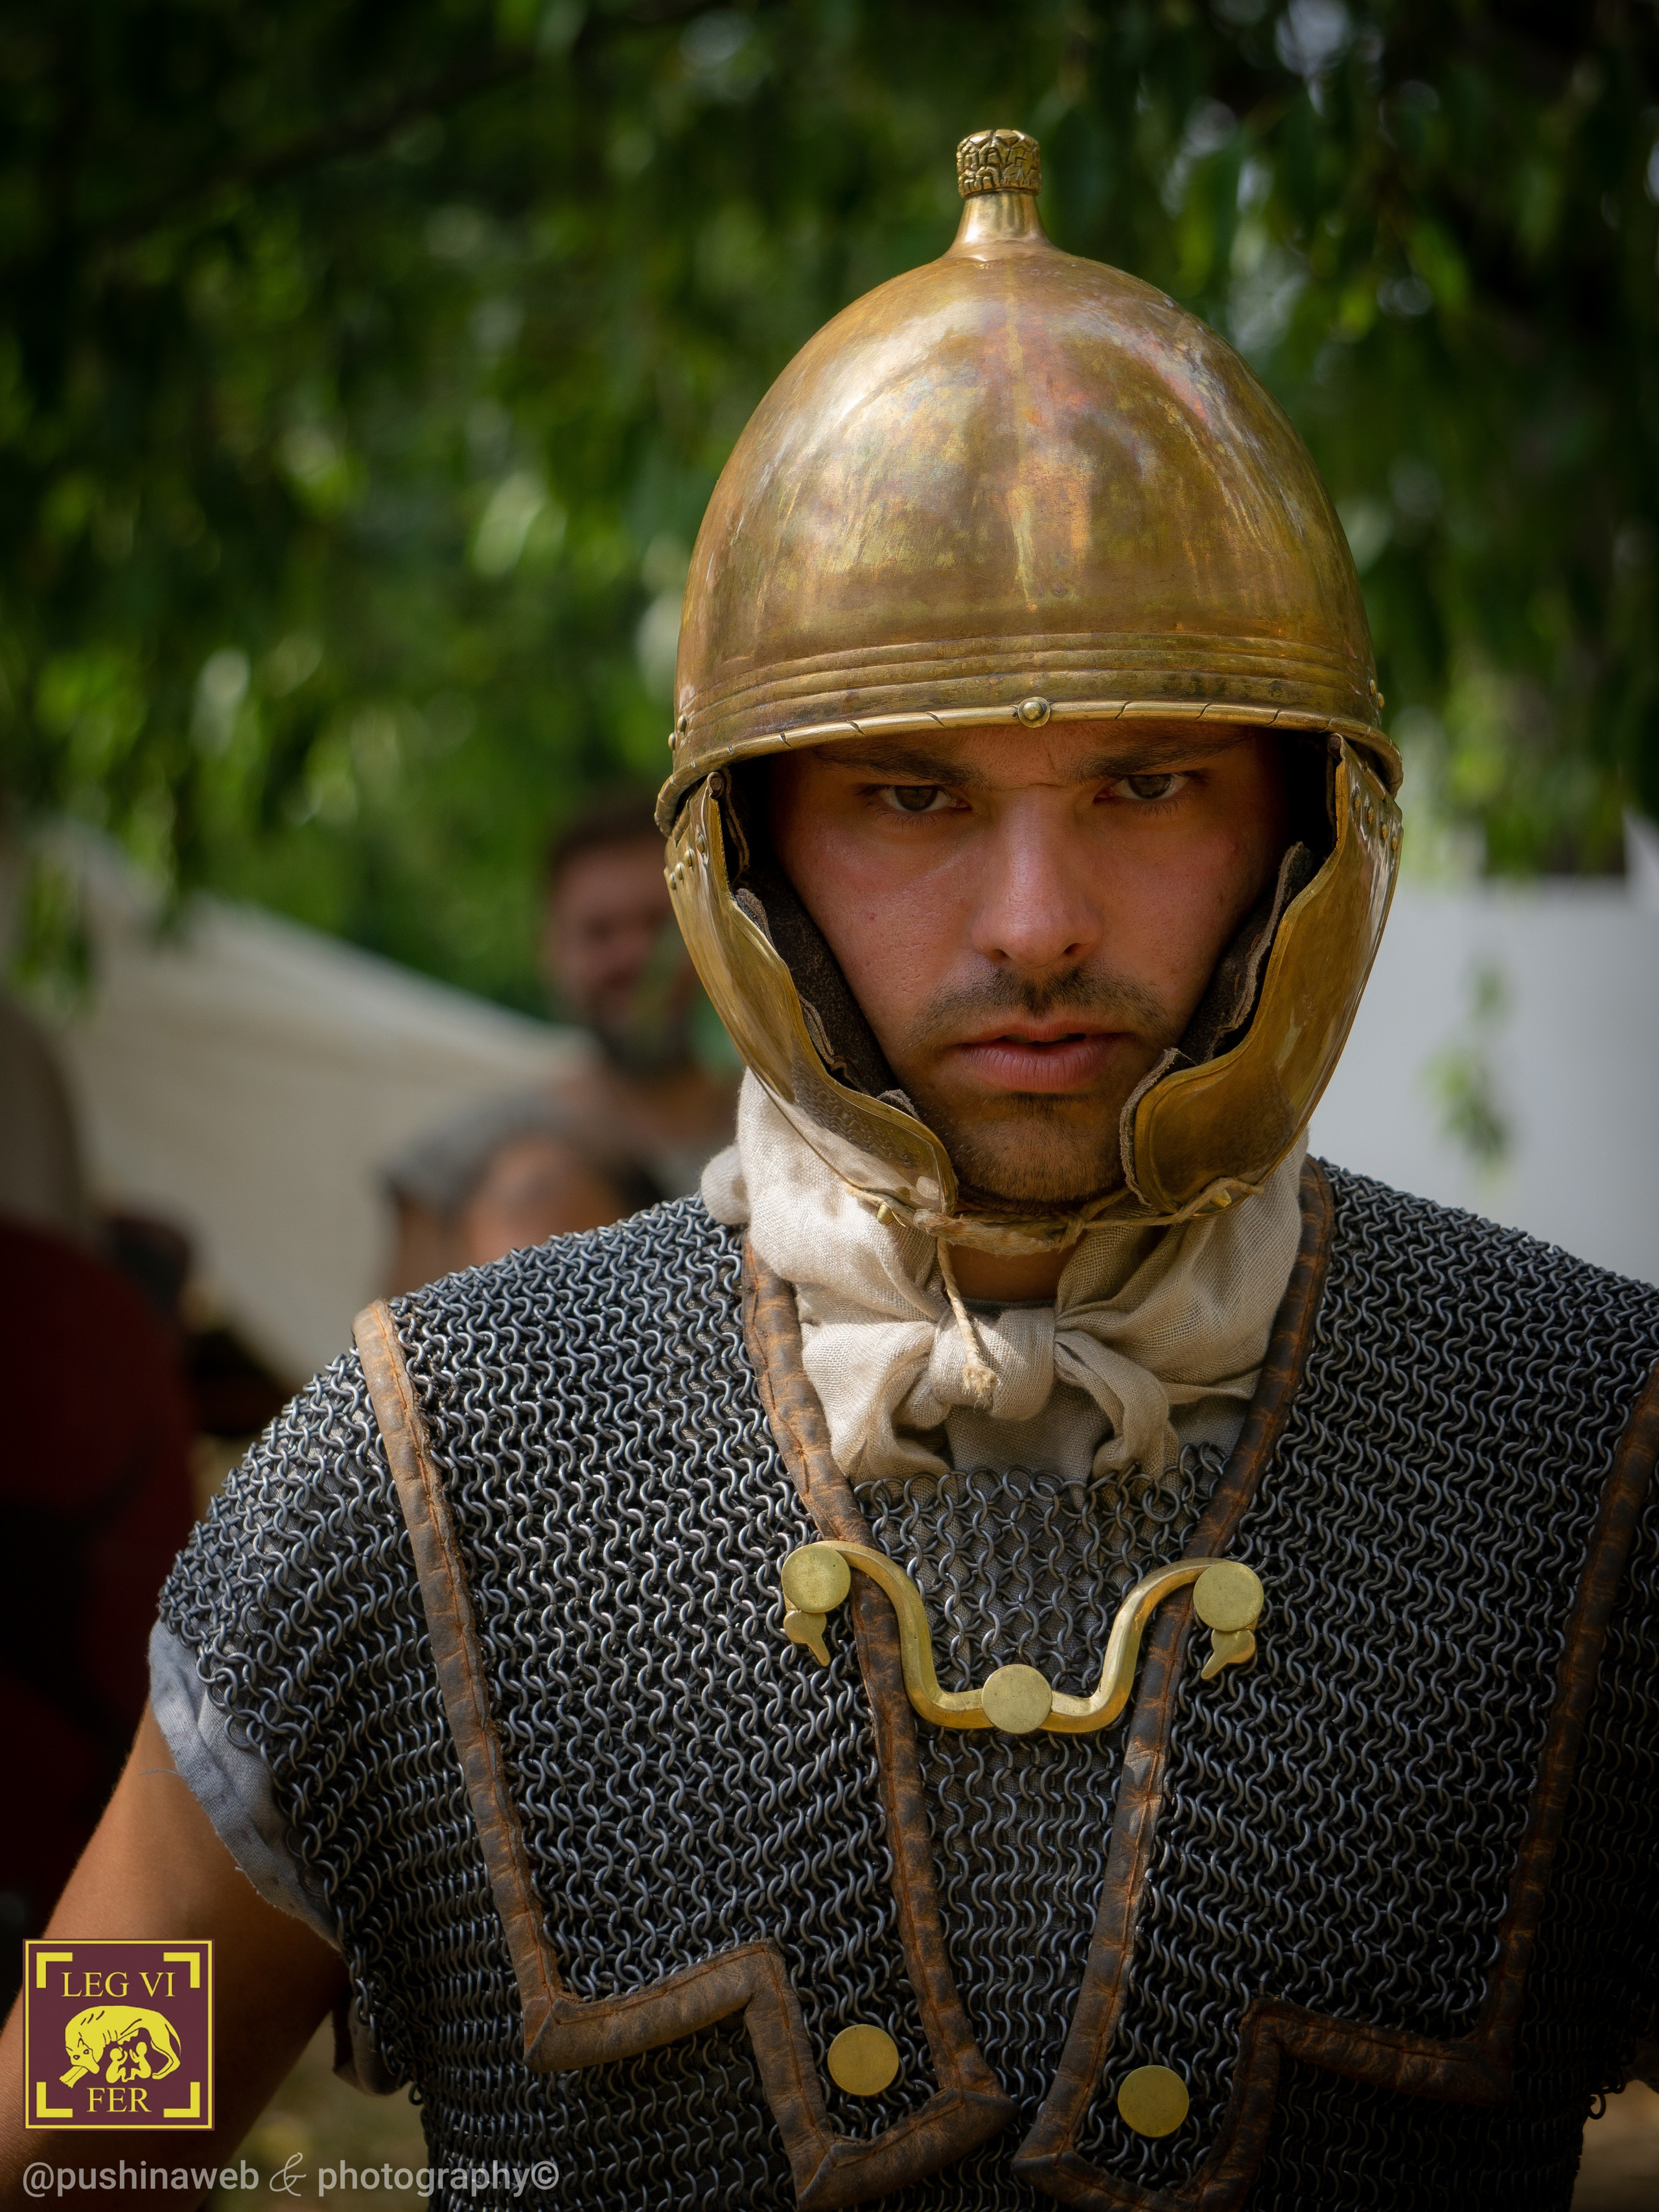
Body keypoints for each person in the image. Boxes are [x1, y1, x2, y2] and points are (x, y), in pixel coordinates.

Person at [3, 126, 1655, 2212]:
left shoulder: (1592, 1450)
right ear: (753, 852)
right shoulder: (426, 1467)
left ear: (1298, 828)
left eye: (1146, 782)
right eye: (909, 794)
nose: (1034, 918)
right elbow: (75, 2134)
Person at [382, 792, 735, 1291]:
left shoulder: (800, 1137)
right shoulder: (455, 1167)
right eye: (599, 932)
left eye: (659, 924)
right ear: (551, 949)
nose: (632, 956)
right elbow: (402, 1360)